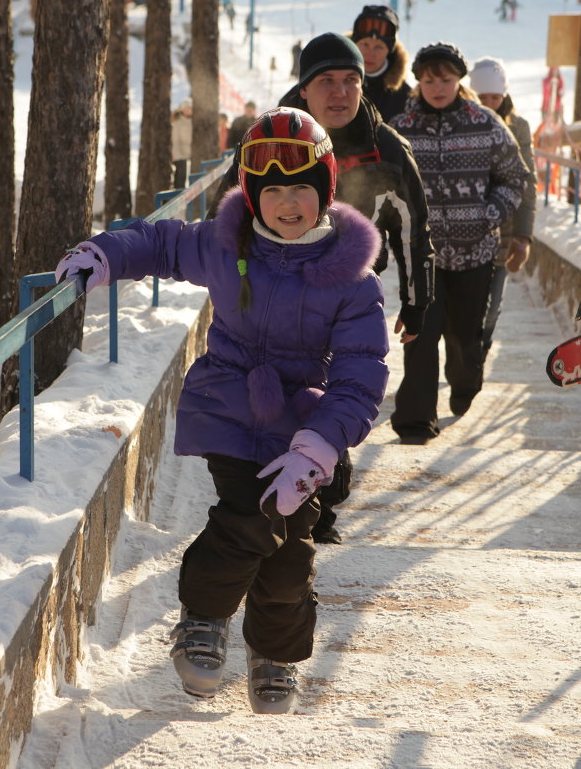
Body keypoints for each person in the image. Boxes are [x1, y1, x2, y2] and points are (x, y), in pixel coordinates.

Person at [55, 107, 389, 715]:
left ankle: (275, 652)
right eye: (274, 191)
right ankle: (204, 619)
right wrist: (105, 256)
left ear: (325, 191)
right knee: (252, 516)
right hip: (230, 409)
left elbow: (361, 376)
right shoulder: (225, 244)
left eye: (302, 190)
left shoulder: (353, 282)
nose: (289, 204)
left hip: (302, 431)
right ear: (254, 196)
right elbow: (160, 242)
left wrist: (317, 448)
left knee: (290, 553)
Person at [210, 32, 435, 545]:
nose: (340, 92)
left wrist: (418, 302)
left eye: (351, 80)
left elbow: (416, 230)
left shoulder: (387, 148)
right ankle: (263, 503)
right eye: (326, 81)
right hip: (267, 299)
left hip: (347, 304)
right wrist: (230, 280)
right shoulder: (270, 139)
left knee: (335, 397)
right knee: (274, 401)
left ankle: (319, 506)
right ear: (304, 89)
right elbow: (223, 214)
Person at [388, 42, 528, 442]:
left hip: (475, 252)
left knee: (466, 337)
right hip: (422, 255)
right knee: (421, 333)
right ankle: (415, 421)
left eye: (445, 79)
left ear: (458, 81)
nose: (437, 87)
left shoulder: (484, 123)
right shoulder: (402, 127)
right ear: (417, 81)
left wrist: (489, 216)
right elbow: (386, 182)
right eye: (429, 80)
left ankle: (465, 385)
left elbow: (514, 177)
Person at [468, 57, 537, 366]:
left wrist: (523, 236)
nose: (489, 105)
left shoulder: (517, 127)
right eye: (482, 98)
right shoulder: (459, 125)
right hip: (463, 236)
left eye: (494, 98)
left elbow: (527, 182)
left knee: (492, 306)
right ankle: (463, 359)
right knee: (463, 307)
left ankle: (478, 355)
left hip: (503, 233)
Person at [350, 4, 412, 123]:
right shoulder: (334, 80)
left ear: (390, 50)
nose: (370, 54)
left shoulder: (403, 96)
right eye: (365, 45)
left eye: (379, 47)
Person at [170, 97, 193, 187]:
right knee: (180, 182)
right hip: (181, 158)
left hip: (192, 157)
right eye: (186, 108)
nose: (188, 110)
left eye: (190, 108)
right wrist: (177, 157)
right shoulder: (177, 123)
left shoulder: (194, 122)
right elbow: (174, 141)